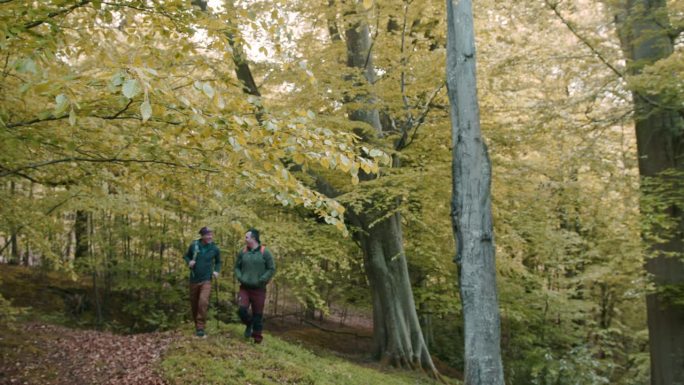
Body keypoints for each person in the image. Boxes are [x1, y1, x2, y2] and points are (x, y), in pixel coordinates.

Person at [234, 228, 276, 344]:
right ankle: (248, 324)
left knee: (258, 314)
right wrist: (240, 277)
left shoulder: (265, 252)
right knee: (242, 310)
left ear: (253, 238)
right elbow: (237, 267)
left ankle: (257, 339)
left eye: (246, 237)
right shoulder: (242, 252)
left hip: (259, 289)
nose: (245, 239)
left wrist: (262, 279)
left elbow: (271, 268)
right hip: (245, 288)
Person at [183, 226, 221, 337]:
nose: (210, 237)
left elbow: (218, 262)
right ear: (202, 235)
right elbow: (186, 256)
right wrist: (189, 262)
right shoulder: (194, 245)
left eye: (211, 234)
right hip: (194, 279)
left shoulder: (215, 248)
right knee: (194, 304)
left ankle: (200, 327)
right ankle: (197, 324)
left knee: (203, 302)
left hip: (207, 279)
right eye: (207, 235)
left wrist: (216, 271)